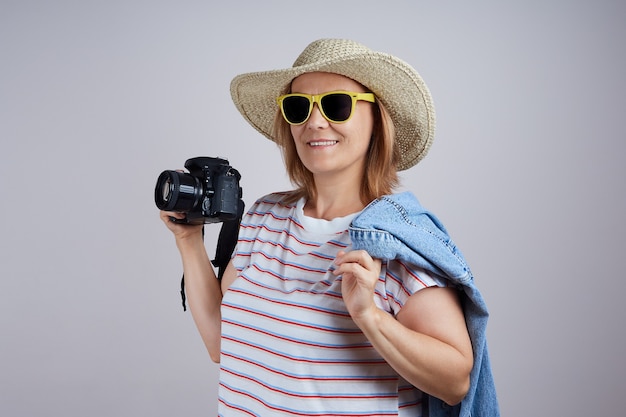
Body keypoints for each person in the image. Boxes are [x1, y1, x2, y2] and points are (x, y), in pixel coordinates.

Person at [160, 38, 498, 417]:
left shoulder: (395, 239)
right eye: (298, 106)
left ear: (377, 118)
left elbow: (456, 384)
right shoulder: (263, 216)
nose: (314, 122)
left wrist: (370, 316)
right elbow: (221, 343)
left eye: (337, 105)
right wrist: (189, 240)